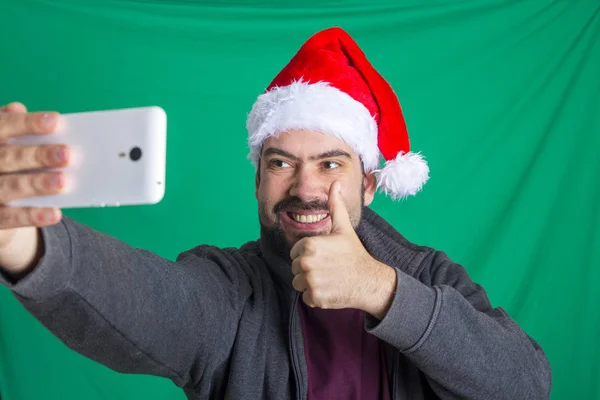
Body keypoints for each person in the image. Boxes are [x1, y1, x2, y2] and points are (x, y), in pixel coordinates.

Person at [0, 27, 551, 400]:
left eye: (331, 163)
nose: (305, 186)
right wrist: (29, 247)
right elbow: (155, 301)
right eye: (281, 162)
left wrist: (383, 291)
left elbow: (526, 383)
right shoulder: (230, 291)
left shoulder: (428, 277)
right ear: (258, 180)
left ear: (371, 186)